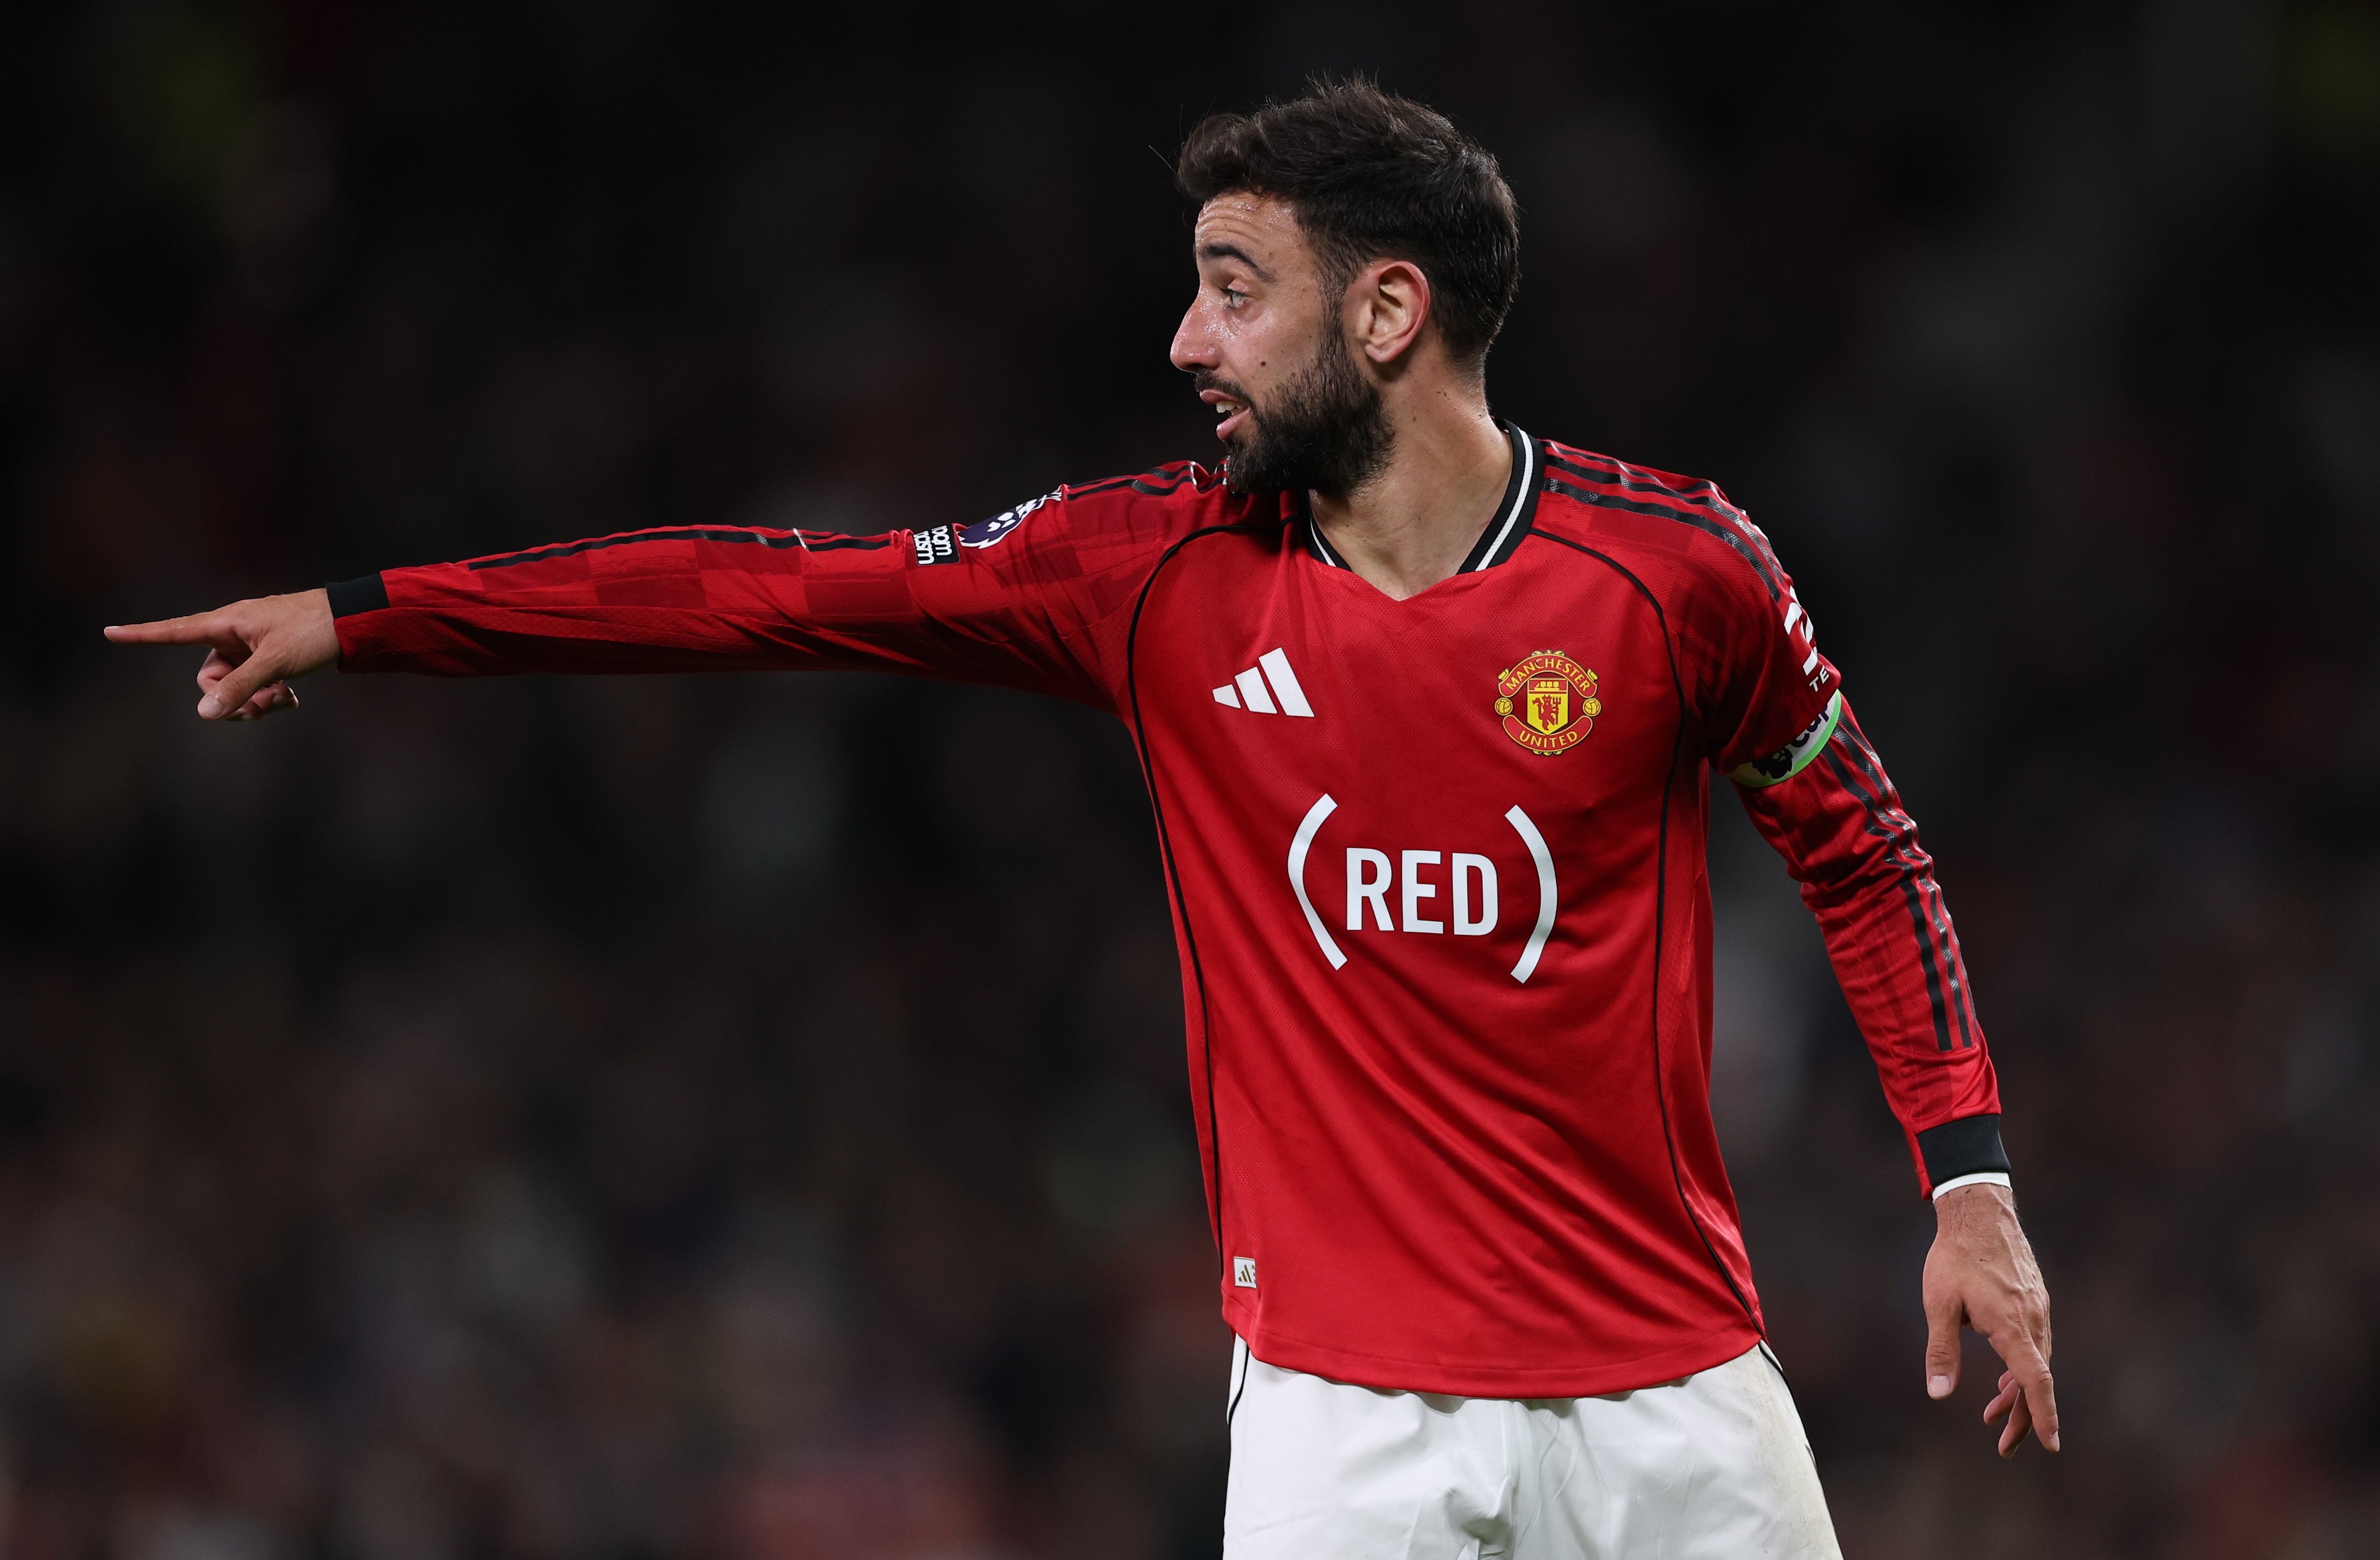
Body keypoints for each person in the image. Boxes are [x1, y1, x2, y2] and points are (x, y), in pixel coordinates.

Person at [110, 80, 2054, 1560]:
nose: (1184, 344)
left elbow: (1860, 849)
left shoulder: (1677, 571)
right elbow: (775, 586)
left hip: (1674, 1398)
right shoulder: (1150, 568)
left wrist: (1966, 1188)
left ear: (1386, 315)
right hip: (1339, 1425)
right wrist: (375, 623)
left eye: (1231, 291)